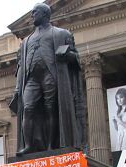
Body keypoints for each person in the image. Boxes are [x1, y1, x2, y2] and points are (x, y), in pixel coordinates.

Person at [10, 3, 85, 156]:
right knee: (28, 108)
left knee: (51, 109)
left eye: (34, 12)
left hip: (51, 75)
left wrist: (66, 55)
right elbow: (21, 67)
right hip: (32, 78)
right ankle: (30, 145)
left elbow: (75, 57)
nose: (32, 15)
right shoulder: (26, 41)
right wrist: (18, 89)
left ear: (44, 14)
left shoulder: (60, 34)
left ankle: (52, 144)